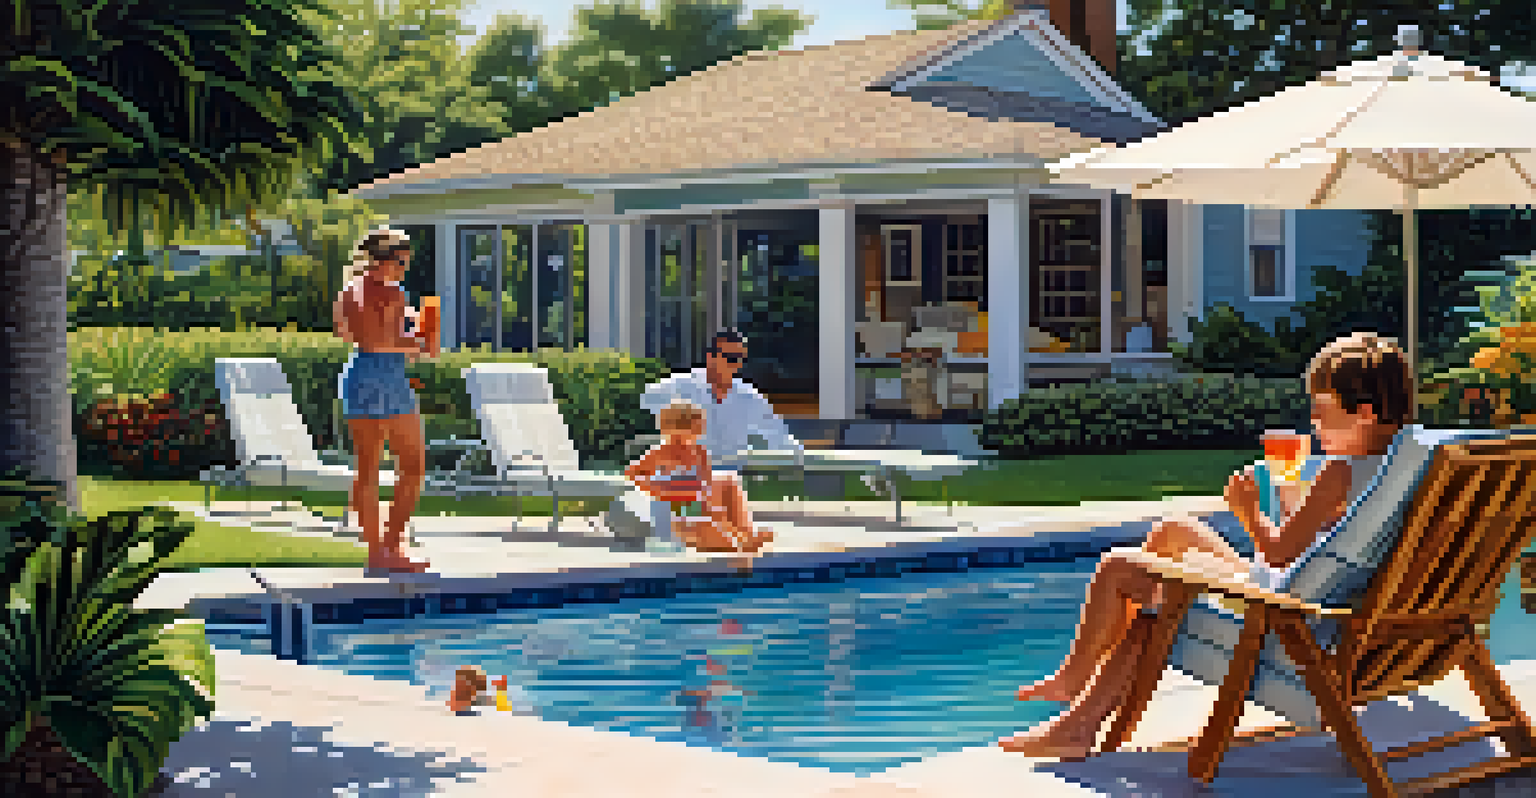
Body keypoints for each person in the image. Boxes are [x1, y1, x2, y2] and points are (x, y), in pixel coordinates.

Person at [999, 332, 1412, 759]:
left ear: (1364, 413)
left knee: (1119, 569)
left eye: (1323, 414)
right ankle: (1083, 718)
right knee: (1173, 531)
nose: (1316, 426)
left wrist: (1247, 510)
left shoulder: (1339, 472)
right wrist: (1301, 510)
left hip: (1283, 613)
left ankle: (1074, 683)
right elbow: (1323, 548)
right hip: (1322, 604)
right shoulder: (1401, 469)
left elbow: (1278, 554)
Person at [633, 329, 804, 547]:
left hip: (719, 475)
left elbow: (777, 434)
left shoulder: (748, 397)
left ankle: (744, 535)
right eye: (730, 358)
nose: (735, 365)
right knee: (710, 503)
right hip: (685, 485)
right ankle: (733, 538)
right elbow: (646, 399)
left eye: (740, 359)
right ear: (711, 357)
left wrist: (799, 456)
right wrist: (678, 416)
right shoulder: (684, 385)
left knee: (727, 483)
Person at [333, 228, 439, 575]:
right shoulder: (391, 291)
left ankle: (377, 554)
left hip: (359, 375)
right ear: (382, 260)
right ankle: (391, 548)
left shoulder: (349, 291)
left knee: (367, 468)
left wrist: (405, 336)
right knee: (412, 465)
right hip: (385, 378)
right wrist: (420, 343)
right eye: (400, 261)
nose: (403, 268)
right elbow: (379, 341)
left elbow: (348, 335)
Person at [625, 401, 772, 553]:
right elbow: (632, 474)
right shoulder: (660, 453)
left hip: (696, 504)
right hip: (676, 510)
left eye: (699, 427)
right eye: (696, 427)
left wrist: (708, 502)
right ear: (673, 428)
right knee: (714, 533)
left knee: (727, 484)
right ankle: (736, 540)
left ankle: (745, 534)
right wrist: (653, 486)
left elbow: (706, 483)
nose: (700, 431)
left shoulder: (699, 452)